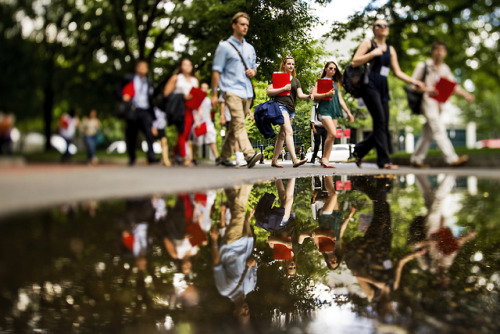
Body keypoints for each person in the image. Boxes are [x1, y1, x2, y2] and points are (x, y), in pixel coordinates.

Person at [351, 19, 425, 169]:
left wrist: (414, 82)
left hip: (383, 86)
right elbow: (354, 62)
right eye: (379, 25)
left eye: (386, 25)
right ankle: (383, 161)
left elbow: (397, 72)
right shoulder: (368, 43)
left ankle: (360, 149)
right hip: (369, 84)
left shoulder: (391, 49)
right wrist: (372, 54)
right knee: (380, 121)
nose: (383, 27)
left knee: (383, 125)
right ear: (374, 29)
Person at [409, 41, 474, 168]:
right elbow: (412, 85)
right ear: (433, 51)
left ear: (445, 53)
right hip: (427, 101)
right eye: (437, 50)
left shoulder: (445, 69)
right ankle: (451, 159)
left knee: (428, 133)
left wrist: (466, 94)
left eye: (442, 50)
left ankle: (416, 160)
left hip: (439, 104)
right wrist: (427, 89)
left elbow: (454, 86)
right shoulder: (423, 66)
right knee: (439, 129)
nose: (440, 53)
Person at [211, 12, 262, 168]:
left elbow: (253, 68)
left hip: (247, 91)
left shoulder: (250, 48)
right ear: (234, 25)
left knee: (234, 126)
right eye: (242, 24)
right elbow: (216, 71)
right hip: (230, 90)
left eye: (247, 25)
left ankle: (225, 156)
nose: (245, 27)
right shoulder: (224, 47)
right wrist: (214, 93)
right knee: (239, 122)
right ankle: (249, 154)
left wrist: (253, 72)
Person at [210, 184, 256, 328]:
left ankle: (248, 181)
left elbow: (217, 264)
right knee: (237, 207)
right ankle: (228, 184)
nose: (246, 310)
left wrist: (215, 241)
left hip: (232, 244)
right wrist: (253, 262)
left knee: (239, 210)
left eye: (243, 313)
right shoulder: (251, 286)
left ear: (235, 313)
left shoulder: (225, 289)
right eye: (248, 313)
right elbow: (254, 265)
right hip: (248, 239)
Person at [300, 175, 356, 269]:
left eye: (332, 262)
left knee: (333, 195)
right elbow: (341, 231)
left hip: (325, 219)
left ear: (327, 261)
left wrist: (328, 236)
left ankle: (327, 173)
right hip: (336, 218)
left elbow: (314, 233)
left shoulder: (321, 249)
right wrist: (349, 217)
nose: (334, 260)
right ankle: (327, 175)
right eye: (336, 261)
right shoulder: (337, 247)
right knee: (332, 194)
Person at [266, 56, 310, 168]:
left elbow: (300, 95)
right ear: (284, 65)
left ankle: (274, 160)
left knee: (282, 134)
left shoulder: (296, 81)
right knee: (289, 132)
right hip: (280, 106)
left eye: (293, 64)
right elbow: (269, 92)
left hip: (291, 110)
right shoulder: (278, 77)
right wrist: (283, 89)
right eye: (289, 64)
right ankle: (295, 160)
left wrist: (309, 96)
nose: (291, 66)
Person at [312, 62, 355, 168]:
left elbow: (340, 99)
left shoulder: (336, 83)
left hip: (334, 110)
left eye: (335, 69)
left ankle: (326, 159)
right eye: (331, 68)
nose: (333, 71)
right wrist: (326, 94)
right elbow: (313, 95)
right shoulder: (320, 82)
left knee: (331, 136)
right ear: (325, 69)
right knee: (333, 133)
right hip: (324, 110)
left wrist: (348, 112)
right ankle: (325, 159)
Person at [164, 58, 201, 166]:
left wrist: (198, 110)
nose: (187, 67)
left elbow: (196, 96)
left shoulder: (195, 80)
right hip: (179, 108)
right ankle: (185, 159)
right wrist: (183, 97)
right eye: (185, 65)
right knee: (182, 132)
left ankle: (174, 153)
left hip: (191, 109)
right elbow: (166, 93)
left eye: (190, 65)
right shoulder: (176, 78)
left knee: (186, 135)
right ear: (181, 66)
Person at [121, 60, 159, 165]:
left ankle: (151, 155)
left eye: (145, 67)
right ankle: (132, 157)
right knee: (132, 134)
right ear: (137, 69)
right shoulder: (129, 79)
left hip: (145, 110)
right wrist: (123, 96)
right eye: (141, 67)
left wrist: (153, 115)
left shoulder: (149, 82)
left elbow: (151, 99)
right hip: (133, 109)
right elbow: (118, 89)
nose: (143, 69)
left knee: (149, 132)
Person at [193, 83, 220, 164]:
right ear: (200, 89)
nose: (204, 90)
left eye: (206, 88)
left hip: (207, 123)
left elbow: (209, 113)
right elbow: (193, 111)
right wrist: (196, 122)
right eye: (203, 88)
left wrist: (212, 124)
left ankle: (217, 158)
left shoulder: (208, 100)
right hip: (198, 123)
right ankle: (193, 158)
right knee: (197, 141)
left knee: (212, 137)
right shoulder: (196, 99)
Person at [219, 95, 246, 166]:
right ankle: (238, 158)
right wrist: (222, 116)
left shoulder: (238, 90)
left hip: (237, 117)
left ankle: (225, 156)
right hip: (229, 117)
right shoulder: (225, 90)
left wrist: (249, 112)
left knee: (232, 137)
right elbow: (222, 104)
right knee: (235, 137)